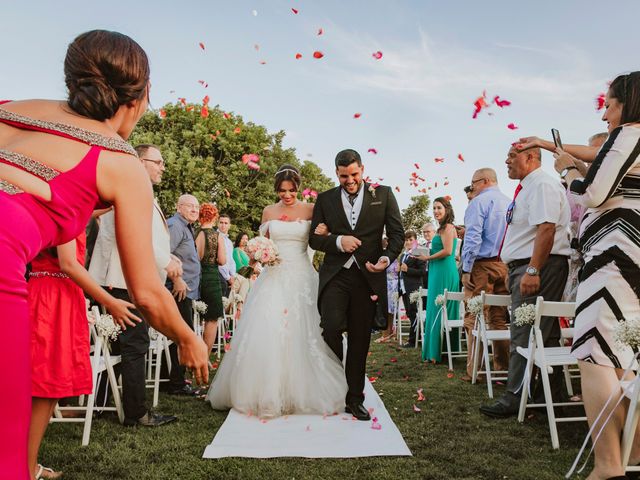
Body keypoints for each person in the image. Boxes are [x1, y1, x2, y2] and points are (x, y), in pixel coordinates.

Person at [0, 30, 208, 478]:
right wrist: (189, 339)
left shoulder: (12, 108)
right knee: (5, 453)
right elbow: (148, 295)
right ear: (141, 94)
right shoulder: (118, 159)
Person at [526, 72, 640, 479]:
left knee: (595, 354)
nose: (605, 113)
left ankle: (608, 466)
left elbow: (592, 193)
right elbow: (604, 160)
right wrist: (554, 148)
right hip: (632, 258)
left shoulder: (629, 132)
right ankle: (628, 455)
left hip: (612, 257)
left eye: (609, 104)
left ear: (628, 103)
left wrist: (568, 171)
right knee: (624, 358)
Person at [207, 165, 348, 418]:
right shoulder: (268, 211)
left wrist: (325, 232)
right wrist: (260, 253)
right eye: (282, 190)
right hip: (273, 277)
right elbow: (263, 243)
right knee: (269, 328)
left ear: (298, 188)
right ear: (276, 190)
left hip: (303, 276)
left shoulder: (311, 209)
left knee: (305, 330)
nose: (287, 195)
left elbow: (320, 238)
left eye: (292, 190)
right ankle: (265, 392)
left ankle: (305, 390)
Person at [28, 233, 140, 478]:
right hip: (52, 297)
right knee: (43, 388)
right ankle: (24, 469)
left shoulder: (75, 208)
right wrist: (109, 301)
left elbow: (97, 205)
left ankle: (30, 464)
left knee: (52, 389)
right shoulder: (65, 207)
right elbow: (68, 263)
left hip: (60, 295)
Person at [88, 143, 182, 428]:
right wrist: (166, 261)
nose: (162, 167)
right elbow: (134, 236)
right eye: (158, 161)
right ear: (140, 162)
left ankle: (102, 404)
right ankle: (137, 413)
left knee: (112, 346)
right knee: (134, 345)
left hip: (115, 279)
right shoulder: (130, 192)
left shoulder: (125, 191)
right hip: (123, 281)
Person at [309, 149, 404, 421]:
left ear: (362, 169)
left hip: (367, 277)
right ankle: (336, 381)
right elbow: (315, 240)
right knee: (330, 327)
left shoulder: (383, 194)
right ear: (335, 173)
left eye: (353, 174)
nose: (349, 180)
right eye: (343, 176)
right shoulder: (325, 199)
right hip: (336, 275)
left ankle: (354, 398)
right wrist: (339, 241)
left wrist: (386, 258)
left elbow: (396, 234)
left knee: (361, 339)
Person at [479, 144, 571, 419]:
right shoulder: (528, 188)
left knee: (523, 331)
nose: (506, 161)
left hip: (541, 265)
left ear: (531, 157)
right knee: (544, 333)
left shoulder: (542, 184)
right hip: (529, 264)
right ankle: (549, 396)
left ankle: (514, 395)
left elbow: (546, 228)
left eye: (511, 156)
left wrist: (532, 270)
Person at [460, 168, 511, 382]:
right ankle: (502, 368)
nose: (472, 188)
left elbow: (472, 237)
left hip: (482, 265)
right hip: (504, 265)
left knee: (474, 317)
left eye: (473, 184)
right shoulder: (510, 202)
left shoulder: (478, 203)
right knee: (498, 318)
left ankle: (475, 370)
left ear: (485, 181)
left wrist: (466, 268)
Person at [414, 197, 460, 363]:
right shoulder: (441, 228)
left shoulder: (448, 227)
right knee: (435, 307)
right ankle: (437, 350)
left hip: (444, 270)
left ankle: (440, 352)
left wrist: (428, 258)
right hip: (436, 269)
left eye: (439, 207)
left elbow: (448, 251)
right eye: (434, 208)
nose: (436, 211)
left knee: (441, 308)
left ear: (447, 209)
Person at [166, 194, 202, 395]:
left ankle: (174, 379)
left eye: (196, 206)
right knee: (182, 335)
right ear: (179, 207)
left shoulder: (186, 227)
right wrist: (177, 280)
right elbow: (163, 254)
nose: (194, 210)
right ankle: (176, 383)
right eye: (190, 206)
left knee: (179, 335)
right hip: (177, 290)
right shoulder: (175, 226)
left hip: (186, 290)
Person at [195, 203, 226, 354]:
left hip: (195, 278)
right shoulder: (217, 236)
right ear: (214, 217)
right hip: (211, 278)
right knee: (211, 319)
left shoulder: (194, 233)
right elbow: (222, 260)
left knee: (195, 318)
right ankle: (204, 357)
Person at [398, 231, 426, 348]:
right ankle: (417, 337)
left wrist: (407, 270)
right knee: (410, 313)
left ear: (415, 241)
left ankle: (412, 341)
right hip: (404, 288)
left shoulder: (418, 253)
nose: (408, 242)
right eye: (406, 240)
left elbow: (422, 272)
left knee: (414, 313)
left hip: (414, 287)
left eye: (411, 240)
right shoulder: (403, 255)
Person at [217, 214, 236, 298]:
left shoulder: (229, 242)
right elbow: (220, 262)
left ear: (229, 225)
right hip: (218, 273)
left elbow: (231, 261)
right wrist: (228, 278)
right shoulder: (215, 237)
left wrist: (232, 276)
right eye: (221, 222)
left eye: (226, 223)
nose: (223, 225)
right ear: (217, 223)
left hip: (228, 276)